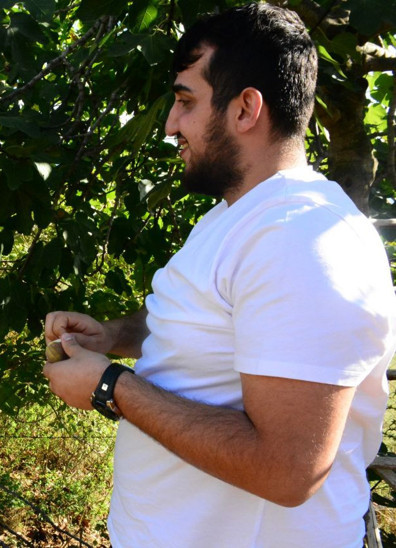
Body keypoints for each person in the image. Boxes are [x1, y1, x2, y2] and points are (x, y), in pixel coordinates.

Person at [43, 3, 396, 547]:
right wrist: (114, 337)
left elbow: (289, 471)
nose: (170, 125)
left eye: (185, 101)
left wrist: (110, 388)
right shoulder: (239, 215)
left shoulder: (303, 242)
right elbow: (203, 317)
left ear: (245, 109)